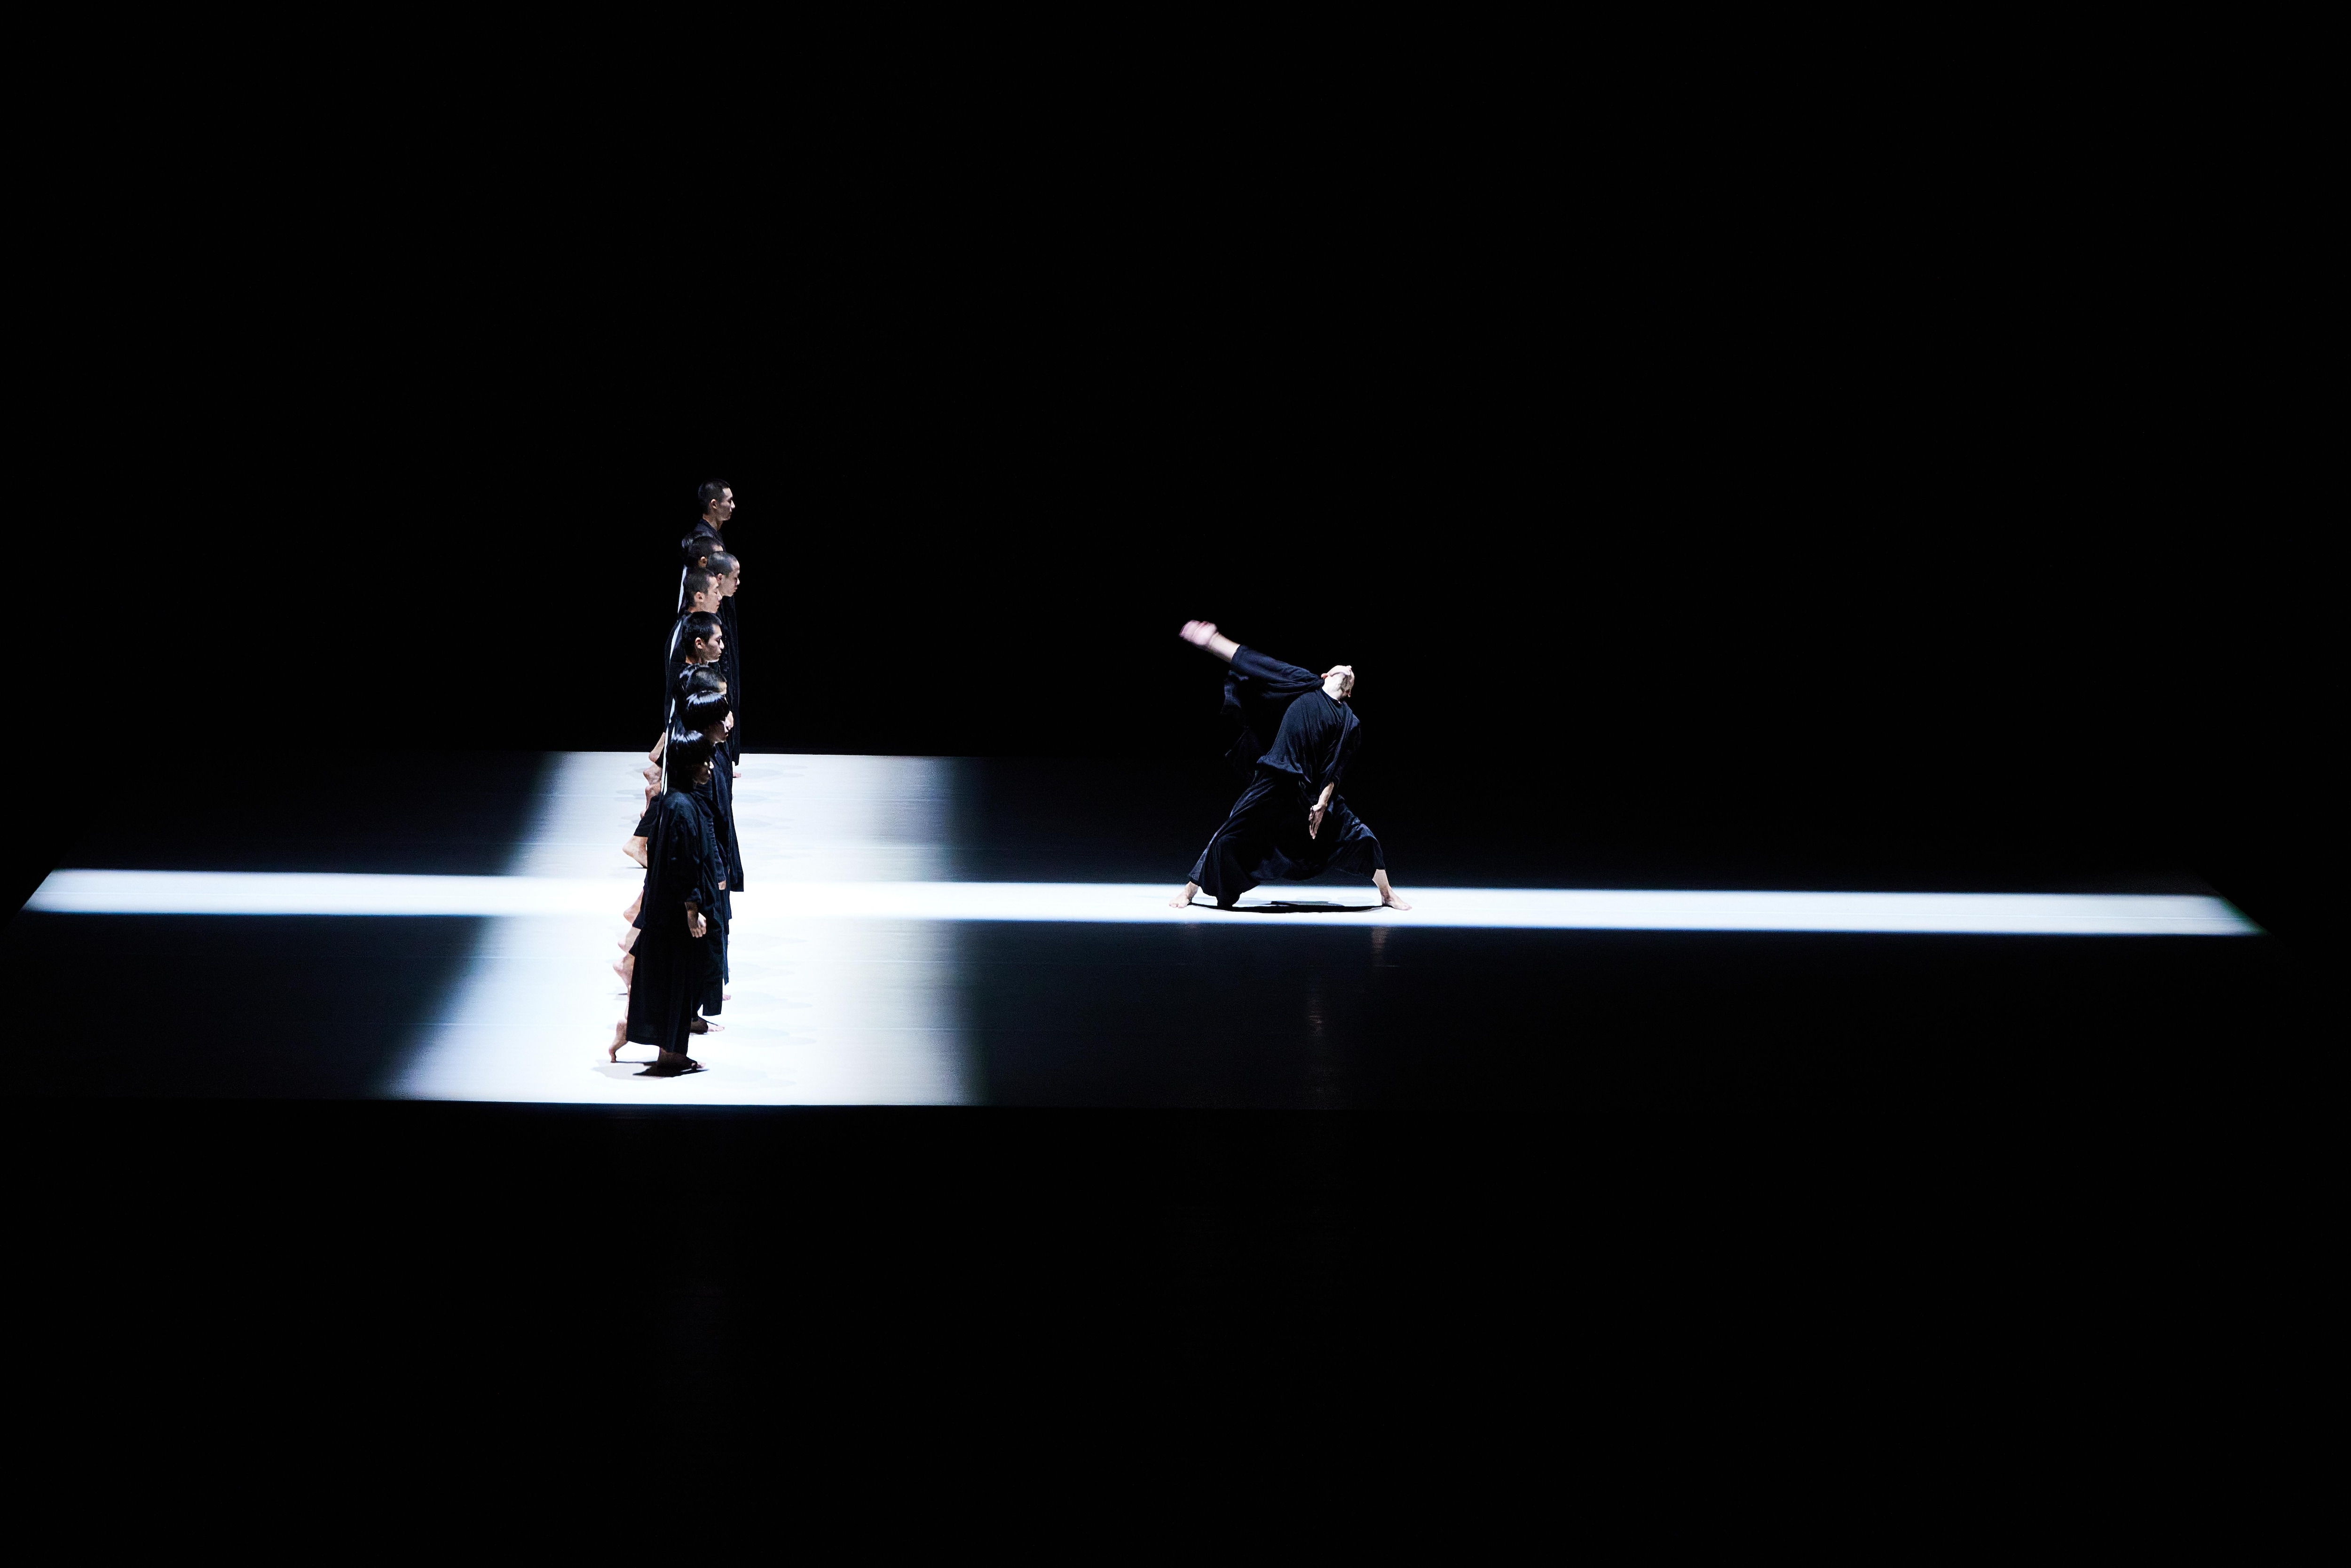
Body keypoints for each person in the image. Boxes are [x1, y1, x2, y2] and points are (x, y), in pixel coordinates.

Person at [1168, 621, 1409, 911]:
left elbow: (1336, 769)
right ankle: (1189, 891)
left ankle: (1386, 893)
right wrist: (1213, 641)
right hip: (1275, 777)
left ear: (1349, 693)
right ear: (1326, 675)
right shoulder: (1305, 684)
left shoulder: (1350, 722)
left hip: (1310, 791)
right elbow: (1261, 664)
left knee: (1361, 836)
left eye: (1352, 671)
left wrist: (1322, 804)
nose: (1348, 667)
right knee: (1231, 832)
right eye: (1342, 666)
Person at [615, 726, 724, 1076]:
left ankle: (669, 1048)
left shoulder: (680, 801)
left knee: (678, 978)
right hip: (677, 914)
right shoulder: (679, 806)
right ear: (687, 765)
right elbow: (683, 862)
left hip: (672, 910)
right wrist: (693, 910)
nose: (709, 767)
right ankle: (671, 1053)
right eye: (702, 761)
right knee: (679, 978)